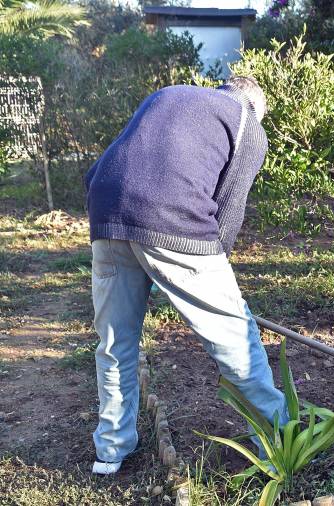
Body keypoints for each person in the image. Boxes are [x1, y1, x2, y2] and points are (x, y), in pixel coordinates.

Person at [84, 76, 287, 474]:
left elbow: (105, 167)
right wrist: (204, 287)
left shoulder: (170, 95)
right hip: (171, 217)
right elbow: (227, 214)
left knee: (114, 341)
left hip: (106, 213)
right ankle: (278, 441)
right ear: (255, 105)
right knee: (236, 338)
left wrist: (157, 269)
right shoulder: (247, 121)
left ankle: (110, 451)